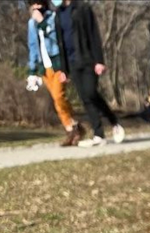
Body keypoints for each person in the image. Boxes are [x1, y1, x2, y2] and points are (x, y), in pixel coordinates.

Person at [53, 0, 124, 147]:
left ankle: (114, 121)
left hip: (87, 59)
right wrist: (63, 70)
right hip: (72, 63)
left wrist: (99, 61)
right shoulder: (58, 14)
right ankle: (99, 135)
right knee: (85, 98)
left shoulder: (83, 8)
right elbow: (60, 42)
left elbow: (93, 35)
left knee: (91, 92)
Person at [26, 0, 83, 146]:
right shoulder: (31, 24)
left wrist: (42, 22)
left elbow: (57, 38)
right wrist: (32, 70)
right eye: (33, 4)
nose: (36, 7)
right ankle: (72, 129)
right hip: (44, 68)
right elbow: (33, 46)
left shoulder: (53, 17)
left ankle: (73, 127)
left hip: (57, 64)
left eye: (38, 4)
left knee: (59, 97)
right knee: (57, 101)